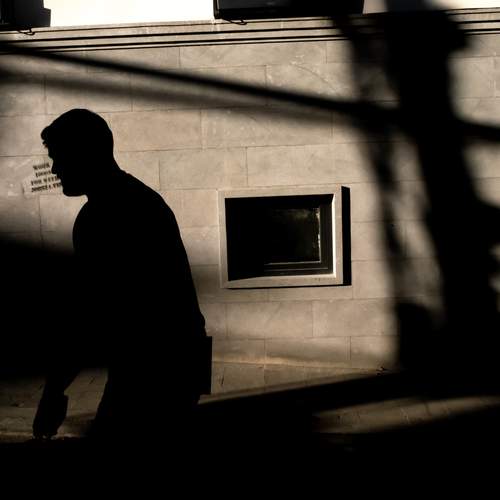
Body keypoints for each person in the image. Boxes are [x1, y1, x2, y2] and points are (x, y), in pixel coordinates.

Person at [32, 109, 210, 444]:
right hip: (172, 364)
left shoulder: (102, 216)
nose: (54, 170)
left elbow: (90, 312)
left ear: (85, 154)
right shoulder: (140, 200)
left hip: (148, 370)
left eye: (59, 158)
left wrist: (54, 390)